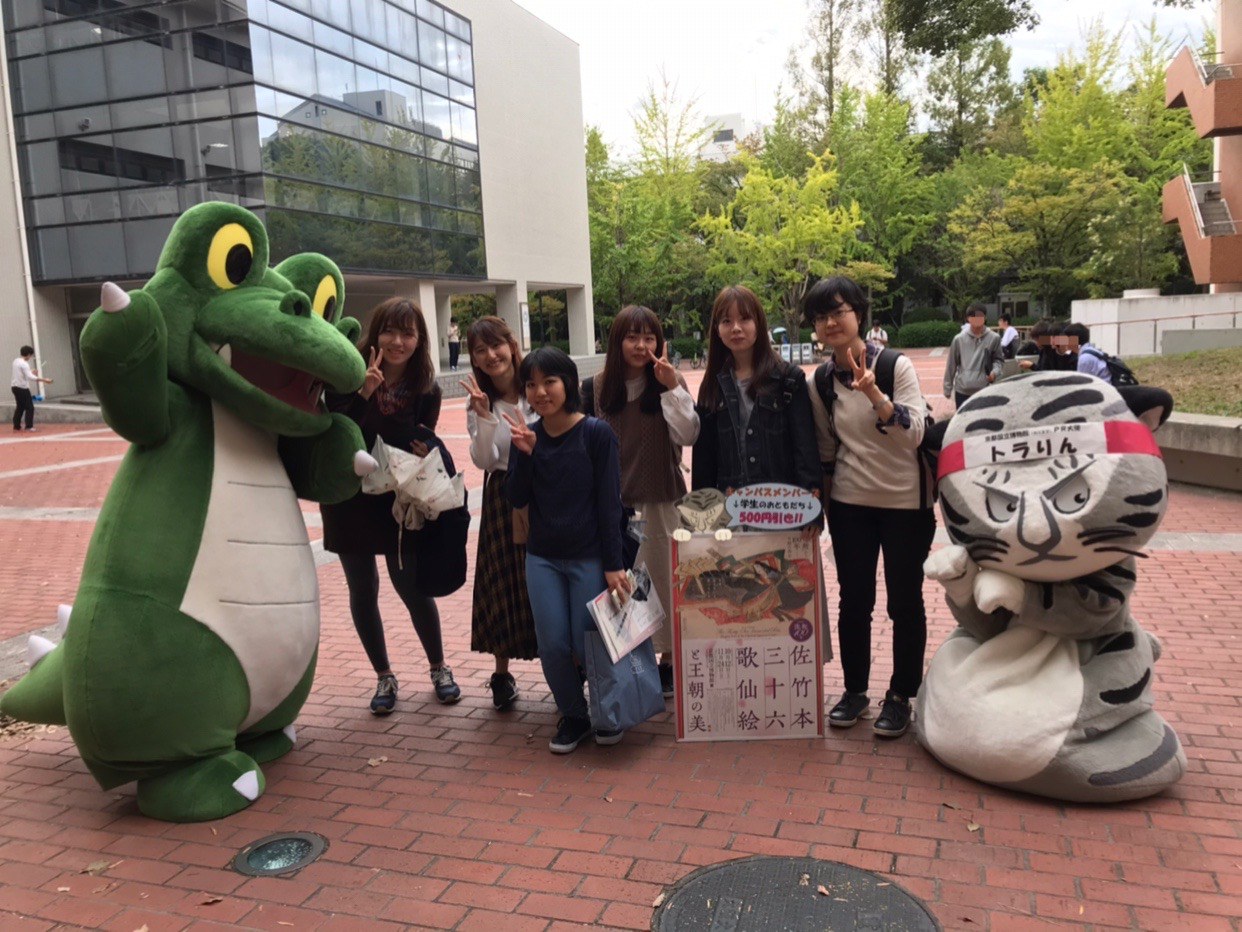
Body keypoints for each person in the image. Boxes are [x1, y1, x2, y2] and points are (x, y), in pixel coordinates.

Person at [805, 277, 936, 738]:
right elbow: (827, 450)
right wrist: (822, 512)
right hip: (850, 504)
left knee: (905, 601)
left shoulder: (896, 366)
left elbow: (914, 433)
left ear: (858, 314)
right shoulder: (821, 381)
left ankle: (900, 696)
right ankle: (855, 691)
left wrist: (875, 395)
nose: (830, 322)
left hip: (906, 503)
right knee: (854, 601)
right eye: (821, 316)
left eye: (839, 312)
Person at [321, 298, 461, 714]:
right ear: (375, 333)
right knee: (363, 589)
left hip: (398, 501)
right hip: (349, 499)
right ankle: (383, 675)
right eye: (390, 331)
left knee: (411, 587)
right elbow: (340, 433)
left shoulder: (426, 390)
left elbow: (420, 441)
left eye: (408, 333)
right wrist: (364, 393)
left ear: (419, 340)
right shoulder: (346, 375)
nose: (398, 342)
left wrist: (427, 450)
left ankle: (439, 668)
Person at [504, 347, 629, 754]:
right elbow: (516, 497)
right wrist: (525, 455)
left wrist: (613, 564)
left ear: (569, 383)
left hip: (589, 556)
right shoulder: (526, 436)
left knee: (587, 640)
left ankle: (608, 712)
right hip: (542, 556)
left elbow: (610, 505)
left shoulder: (596, 434)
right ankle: (574, 715)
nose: (540, 392)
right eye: (531, 384)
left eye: (549, 382)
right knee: (553, 644)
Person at [586, 306, 699, 697]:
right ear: (617, 342)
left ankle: (667, 663)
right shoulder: (595, 388)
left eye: (649, 337)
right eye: (632, 337)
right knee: (623, 590)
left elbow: (688, 435)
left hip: (661, 500)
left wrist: (671, 387)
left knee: (664, 584)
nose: (641, 345)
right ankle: (631, 664)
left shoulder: (668, 380)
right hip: (612, 507)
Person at [461, 316, 539, 710]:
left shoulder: (536, 386)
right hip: (502, 494)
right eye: (481, 350)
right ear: (474, 358)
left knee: (548, 577)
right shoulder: (479, 401)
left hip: (544, 490)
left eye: (496, 345)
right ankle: (501, 673)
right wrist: (485, 416)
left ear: (511, 345)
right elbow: (485, 460)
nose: (491, 355)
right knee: (503, 581)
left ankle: (570, 665)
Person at [692, 285, 820, 497]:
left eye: (744, 319)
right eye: (726, 321)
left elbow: (805, 451)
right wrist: (701, 508)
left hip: (779, 505)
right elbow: (704, 459)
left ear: (758, 323)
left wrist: (811, 505)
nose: (736, 328)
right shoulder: (713, 385)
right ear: (717, 329)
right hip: (730, 506)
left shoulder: (788, 379)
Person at [943, 305, 1003, 408]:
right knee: (963, 417)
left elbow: (998, 360)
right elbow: (951, 364)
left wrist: (994, 373)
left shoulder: (994, 338)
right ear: (968, 318)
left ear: (985, 317)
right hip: (962, 390)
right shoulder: (959, 339)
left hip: (984, 389)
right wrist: (947, 387)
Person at [11, 345, 51, 432]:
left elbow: (22, 373)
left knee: (20, 406)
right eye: (31, 355)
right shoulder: (24, 364)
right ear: (28, 354)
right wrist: (44, 380)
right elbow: (30, 377)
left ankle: (16, 426)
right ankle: (29, 426)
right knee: (29, 407)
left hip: (14, 387)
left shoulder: (16, 361)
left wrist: (31, 371)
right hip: (22, 388)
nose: (30, 357)